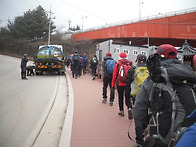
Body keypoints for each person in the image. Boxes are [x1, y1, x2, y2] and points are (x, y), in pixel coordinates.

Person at [132, 44, 196, 147]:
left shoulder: (156, 76)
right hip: (187, 132)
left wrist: (144, 123)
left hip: (163, 133)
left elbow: (139, 108)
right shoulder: (188, 73)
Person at [125, 54, 148, 147]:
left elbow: (127, 84)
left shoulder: (132, 69)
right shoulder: (150, 69)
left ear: (137, 60)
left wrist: (127, 99)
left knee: (138, 117)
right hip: (148, 96)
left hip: (137, 96)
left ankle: (139, 141)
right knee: (147, 115)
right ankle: (145, 130)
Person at [111, 52, 132, 116]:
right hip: (128, 84)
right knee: (127, 96)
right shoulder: (130, 64)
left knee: (120, 97)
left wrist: (112, 85)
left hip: (120, 83)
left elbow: (114, 75)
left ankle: (121, 111)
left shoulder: (118, 64)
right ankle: (129, 107)